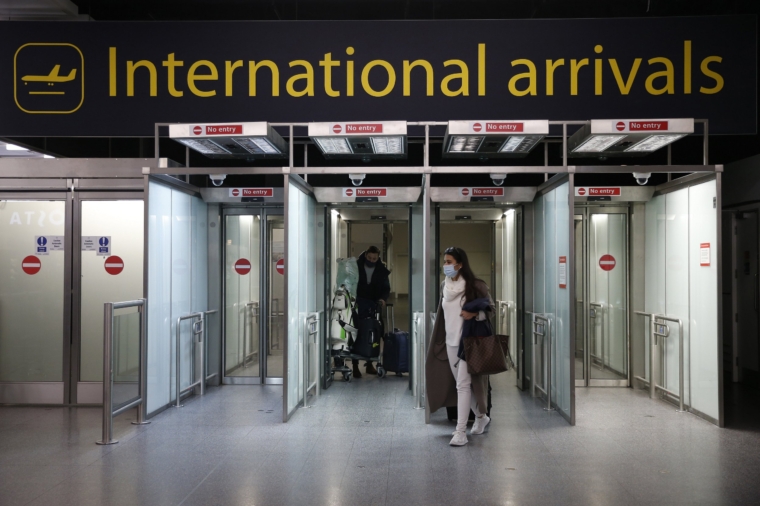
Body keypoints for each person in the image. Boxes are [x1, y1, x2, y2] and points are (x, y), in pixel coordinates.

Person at [425, 246, 494, 446]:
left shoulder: (475, 286)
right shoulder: (444, 286)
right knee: (461, 385)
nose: (445, 266)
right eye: (445, 262)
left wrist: (475, 314)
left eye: (449, 262)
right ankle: (481, 417)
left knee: (463, 385)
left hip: (469, 342)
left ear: (460, 264)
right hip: (450, 343)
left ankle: (460, 432)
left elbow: (491, 310)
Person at [352, 245, 390, 378]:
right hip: (358, 303)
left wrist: (383, 299)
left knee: (373, 334)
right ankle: (355, 365)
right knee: (355, 333)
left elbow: (386, 288)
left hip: (374, 305)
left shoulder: (382, 271)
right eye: (369, 258)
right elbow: (351, 282)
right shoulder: (356, 266)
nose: (371, 260)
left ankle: (369, 364)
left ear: (378, 258)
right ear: (366, 255)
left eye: (374, 259)